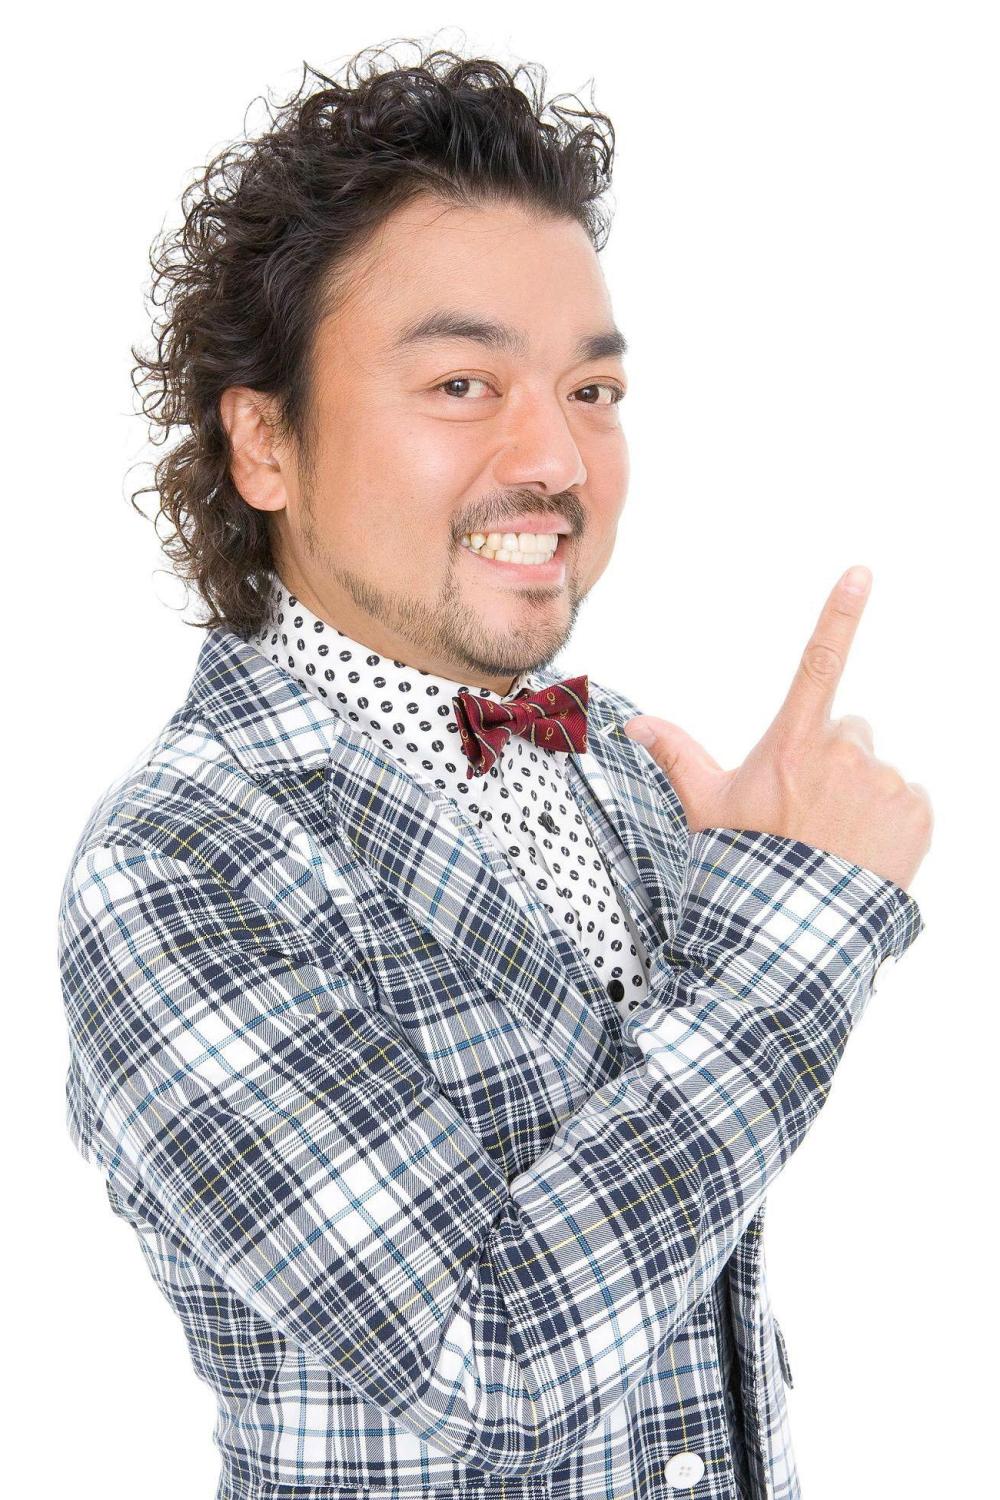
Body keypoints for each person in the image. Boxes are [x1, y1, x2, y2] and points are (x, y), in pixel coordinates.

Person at [56, 39, 932, 1500]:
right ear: (264, 442)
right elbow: (496, 1364)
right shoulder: (178, 867)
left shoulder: (631, 763)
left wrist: (748, 881)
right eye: (464, 382)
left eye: (592, 390)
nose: (560, 462)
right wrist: (806, 924)